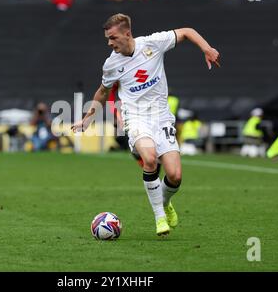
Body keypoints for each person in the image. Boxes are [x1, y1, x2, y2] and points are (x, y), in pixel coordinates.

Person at [72, 13, 220, 236]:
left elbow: (187, 31)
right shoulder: (111, 63)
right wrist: (88, 118)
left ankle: (166, 203)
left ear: (127, 33)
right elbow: (103, 92)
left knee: (175, 175)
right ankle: (160, 218)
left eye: (113, 37)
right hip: (136, 118)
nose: (110, 43)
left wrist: (207, 49)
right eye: (107, 39)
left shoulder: (153, 44)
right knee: (149, 158)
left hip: (162, 117)